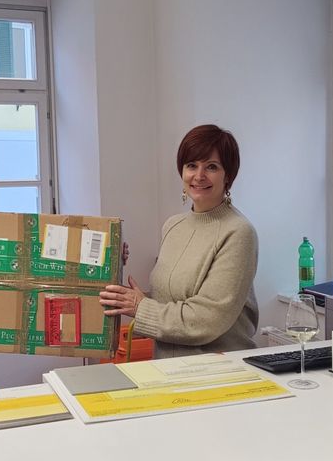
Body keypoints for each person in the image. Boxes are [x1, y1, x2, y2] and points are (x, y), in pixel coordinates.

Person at [99, 124, 258, 358]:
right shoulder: (173, 225)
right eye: (191, 165)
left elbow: (204, 321)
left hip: (219, 375)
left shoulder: (238, 232)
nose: (199, 176)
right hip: (167, 370)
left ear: (228, 176)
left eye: (211, 167)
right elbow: (168, 300)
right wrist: (114, 275)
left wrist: (139, 306)